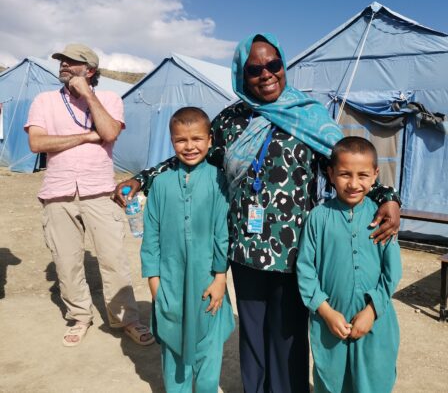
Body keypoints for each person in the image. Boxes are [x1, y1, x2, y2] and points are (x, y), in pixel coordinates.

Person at [114, 33, 401, 392]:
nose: (266, 74)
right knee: (252, 332)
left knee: (287, 334)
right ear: (241, 75)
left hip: (295, 248)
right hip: (245, 246)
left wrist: (388, 196)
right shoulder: (231, 120)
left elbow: (346, 163)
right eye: (254, 69)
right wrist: (143, 179)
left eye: (273, 65)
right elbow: (193, 153)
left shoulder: (308, 115)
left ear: (283, 66)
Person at [25, 43, 153, 347]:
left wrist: (88, 95)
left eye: (72, 62)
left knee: (113, 259)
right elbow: (36, 143)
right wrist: (85, 136)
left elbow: (108, 133)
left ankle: (126, 319)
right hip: (58, 191)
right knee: (66, 261)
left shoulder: (108, 98)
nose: (64, 65)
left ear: (90, 70)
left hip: (99, 191)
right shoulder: (44, 101)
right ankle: (80, 316)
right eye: (62, 61)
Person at [296, 137, 402, 393]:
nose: (354, 184)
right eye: (344, 174)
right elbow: (305, 269)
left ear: (375, 175)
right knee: (331, 381)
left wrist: (372, 310)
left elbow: (392, 272)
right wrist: (325, 311)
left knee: (373, 380)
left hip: (375, 321)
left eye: (363, 175)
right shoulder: (318, 218)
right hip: (330, 323)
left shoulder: (381, 218)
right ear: (331, 174)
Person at [141, 107, 234, 392]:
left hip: (208, 284)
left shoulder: (220, 180)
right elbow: (151, 238)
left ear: (210, 139)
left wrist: (220, 279)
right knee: (173, 349)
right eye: (181, 140)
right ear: (171, 141)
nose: (190, 146)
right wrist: (155, 285)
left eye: (197, 139)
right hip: (170, 284)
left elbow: (222, 234)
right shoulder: (160, 183)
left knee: (208, 352)